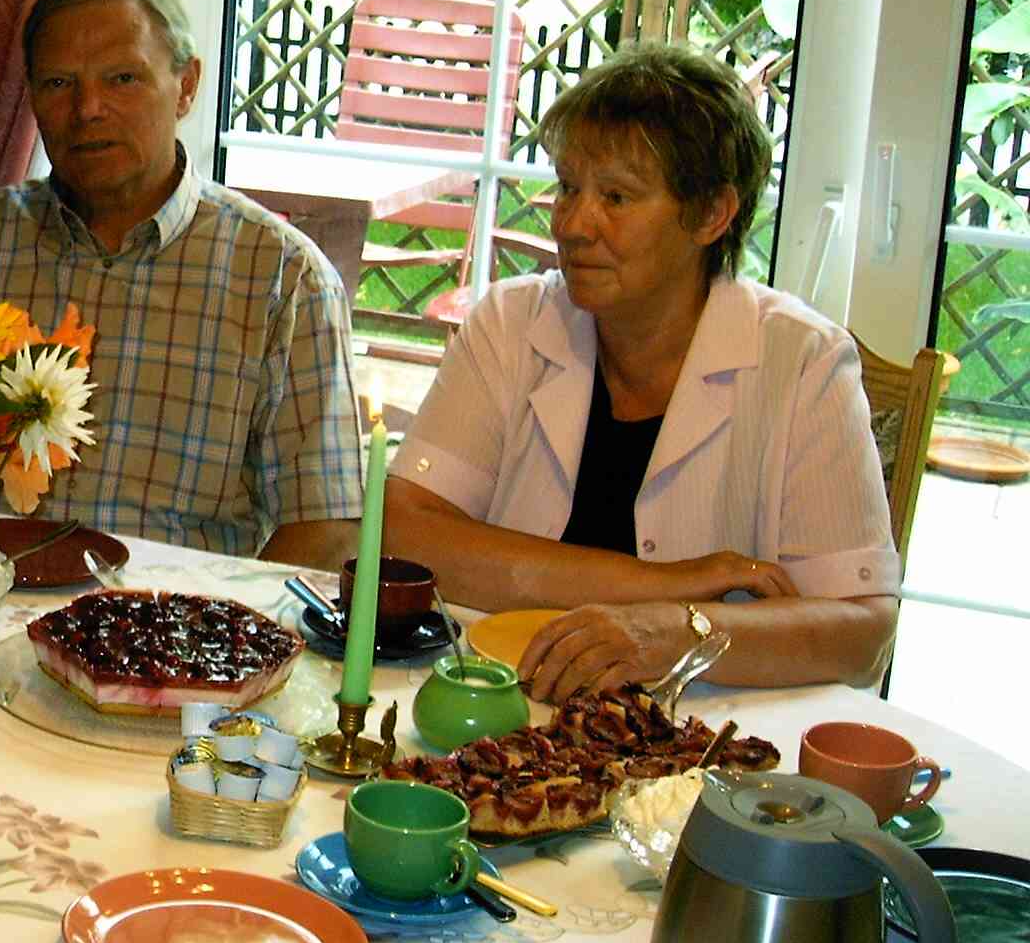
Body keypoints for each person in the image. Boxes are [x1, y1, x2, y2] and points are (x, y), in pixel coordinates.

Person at [382, 42, 900, 701]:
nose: (573, 224)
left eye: (617, 197)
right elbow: (404, 533)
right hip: (499, 709)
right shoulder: (512, 323)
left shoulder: (802, 362)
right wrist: (678, 584)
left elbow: (863, 631)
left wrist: (678, 633)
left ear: (712, 214)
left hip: (701, 747)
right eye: (569, 187)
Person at [0, 0, 362, 562]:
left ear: (188, 85)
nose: (88, 109)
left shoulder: (279, 276)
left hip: (174, 635)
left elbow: (324, 528)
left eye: (123, 79)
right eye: (59, 84)